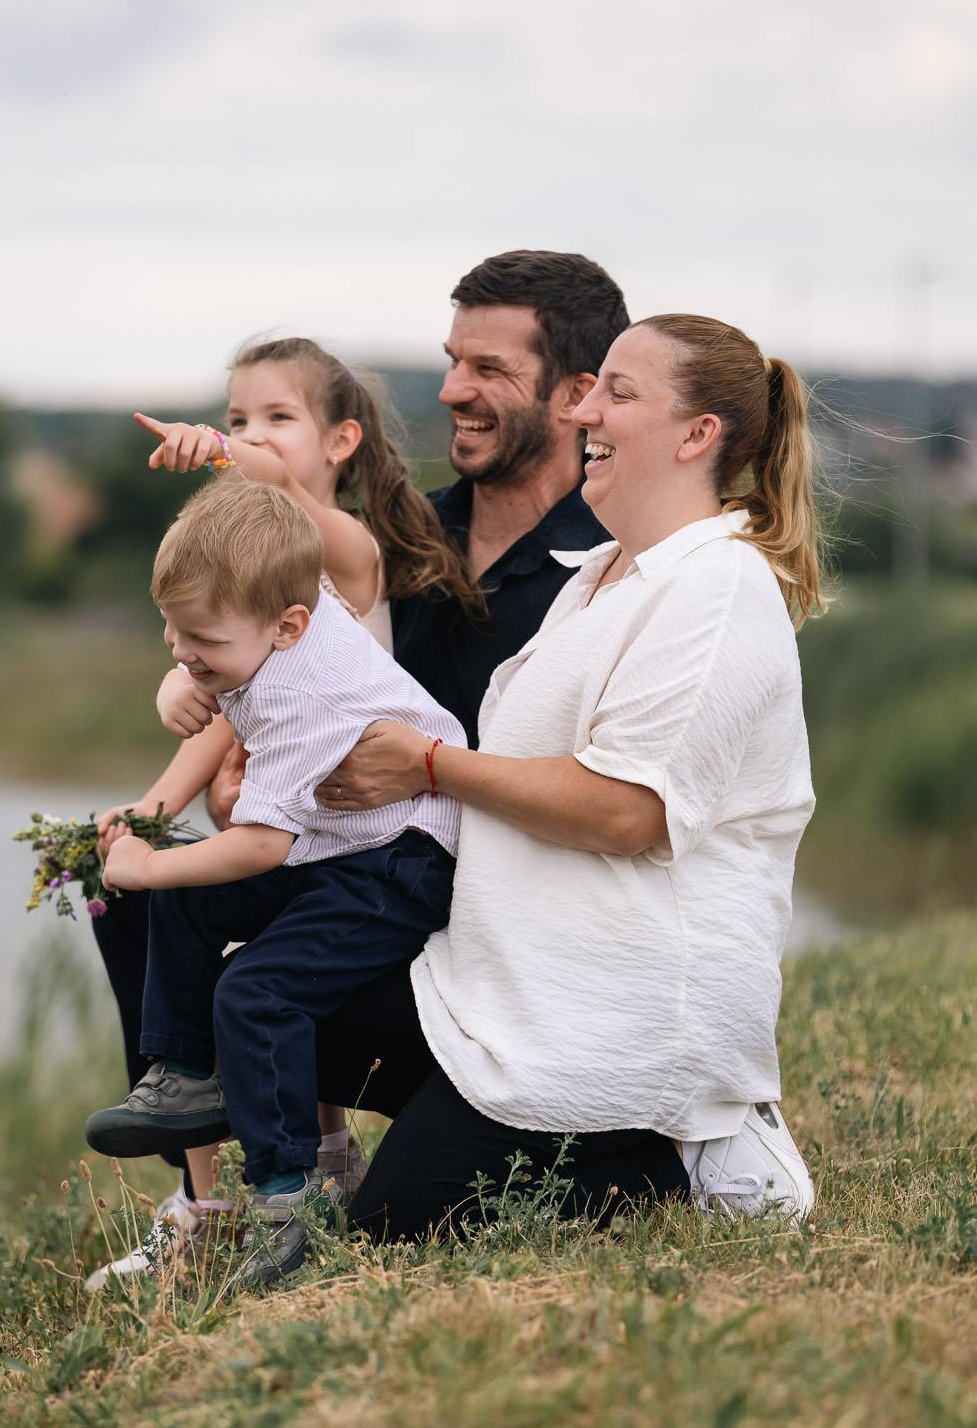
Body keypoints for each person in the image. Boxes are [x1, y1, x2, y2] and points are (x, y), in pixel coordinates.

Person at [312, 314, 820, 1238]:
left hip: (612, 1018)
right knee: (269, 1011)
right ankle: (234, 1196)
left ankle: (682, 1146)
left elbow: (627, 812)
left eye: (619, 393)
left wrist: (429, 764)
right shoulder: (600, 575)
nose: (584, 407)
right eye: (592, 387)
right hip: (497, 984)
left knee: (394, 1226)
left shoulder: (717, 587)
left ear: (696, 434)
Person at [86, 338, 479, 1286]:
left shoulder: (316, 631)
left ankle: (285, 1199)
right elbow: (223, 707)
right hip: (341, 842)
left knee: (253, 989)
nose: (182, 652)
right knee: (182, 907)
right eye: (170, 633)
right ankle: (182, 1080)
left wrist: (147, 861)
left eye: (198, 640)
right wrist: (161, 789)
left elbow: (258, 845)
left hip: (397, 865)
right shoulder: (274, 604)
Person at [391, 249, 630, 746]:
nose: (451, 391)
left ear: (575, 397)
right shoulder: (396, 536)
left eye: (489, 369)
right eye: (454, 361)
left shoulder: (620, 572)